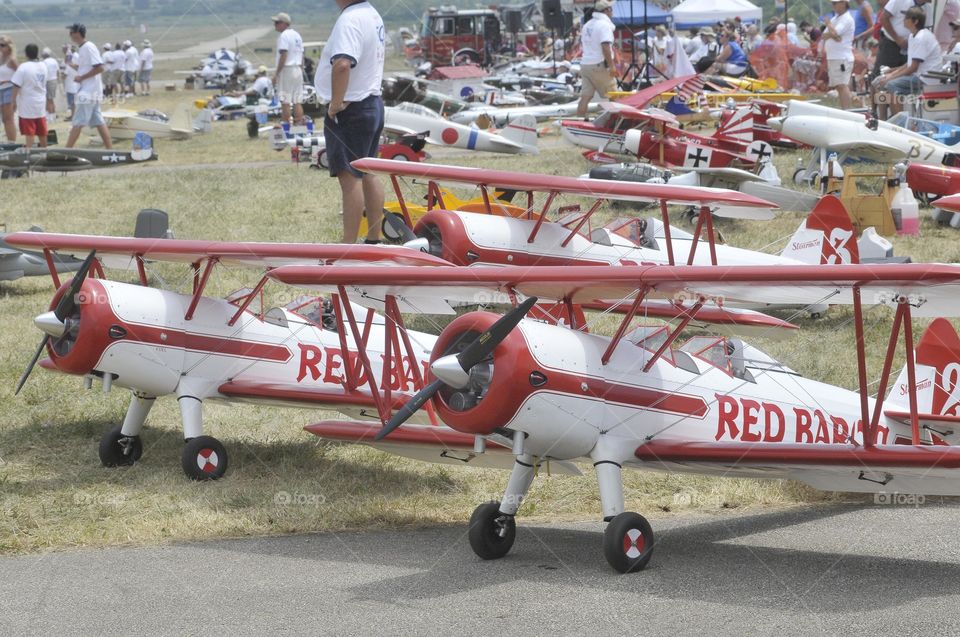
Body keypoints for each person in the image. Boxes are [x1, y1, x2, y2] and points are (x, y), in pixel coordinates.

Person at [315, 0, 386, 244]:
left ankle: (348, 247)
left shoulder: (350, 19)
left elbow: (343, 64)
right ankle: (373, 240)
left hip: (351, 108)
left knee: (350, 177)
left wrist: (335, 103)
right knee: (369, 173)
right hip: (372, 102)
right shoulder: (371, 13)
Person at [874, 6, 942, 116]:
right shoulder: (913, 36)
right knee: (880, 83)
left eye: (906, 18)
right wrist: (891, 72)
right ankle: (883, 119)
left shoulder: (921, 38)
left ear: (915, 21)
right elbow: (910, 64)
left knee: (891, 85)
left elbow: (913, 68)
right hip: (919, 76)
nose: (903, 19)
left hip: (927, 79)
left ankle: (900, 123)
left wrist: (890, 77)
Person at [65, 23, 112, 148]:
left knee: (77, 122)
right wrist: (73, 66)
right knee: (98, 121)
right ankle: (110, 150)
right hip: (92, 91)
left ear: (77, 33)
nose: (69, 35)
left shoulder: (88, 47)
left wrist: (81, 78)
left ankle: (66, 151)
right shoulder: (83, 48)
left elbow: (100, 68)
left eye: (71, 32)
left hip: (88, 92)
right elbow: (86, 67)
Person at [871, 0, 930, 82]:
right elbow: (883, 18)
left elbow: (924, 29)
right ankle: (877, 94)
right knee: (880, 75)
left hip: (910, 48)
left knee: (901, 78)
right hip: (890, 44)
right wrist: (898, 39)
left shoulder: (928, 8)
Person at [576, 0, 617, 117]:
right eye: (611, 9)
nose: (612, 12)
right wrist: (612, 66)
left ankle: (577, 122)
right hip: (599, 64)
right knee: (614, 95)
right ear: (606, 11)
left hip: (585, 64)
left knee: (585, 97)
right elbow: (605, 46)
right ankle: (615, 124)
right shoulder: (604, 25)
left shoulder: (587, 25)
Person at [11, 44, 48, 149]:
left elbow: (16, 85)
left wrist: (13, 101)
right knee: (42, 130)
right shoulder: (43, 66)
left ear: (26, 54)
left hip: (27, 104)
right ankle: (44, 151)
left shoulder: (23, 67)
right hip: (40, 102)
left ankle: (29, 152)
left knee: (29, 131)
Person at [272, 12, 305, 125]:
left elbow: (283, 54)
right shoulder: (297, 35)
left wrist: (277, 74)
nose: (274, 25)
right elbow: (302, 55)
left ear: (284, 23)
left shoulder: (284, 36)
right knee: (297, 101)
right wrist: (301, 69)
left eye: (277, 22)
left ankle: (287, 127)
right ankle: (299, 126)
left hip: (287, 69)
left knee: (285, 101)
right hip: (297, 69)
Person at [823, 0, 856, 109]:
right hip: (834, 57)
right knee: (838, 85)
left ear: (843, 3)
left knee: (842, 85)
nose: (833, 5)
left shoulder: (846, 19)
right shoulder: (835, 18)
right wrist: (834, 35)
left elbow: (835, 32)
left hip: (842, 57)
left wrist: (829, 26)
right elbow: (825, 35)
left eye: (835, 3)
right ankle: (844, 109)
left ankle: (847, 110)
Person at [0, 36, 19, 141]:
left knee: (8, 118)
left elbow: (20, 75)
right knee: (3, 119)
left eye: (2, 45)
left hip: (9, 89)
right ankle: (9, 140)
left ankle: (12, 142)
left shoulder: (11, 60)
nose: (0, 47)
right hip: (1, 90)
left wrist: (7, 81)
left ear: (9, 47)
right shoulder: (0, 58)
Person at [40, 47, 58, 120]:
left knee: (48, 99)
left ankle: (50, 116)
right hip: (54, 80)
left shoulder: (44, 62)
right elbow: (57, 71)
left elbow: (42, 73)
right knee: (51, 99)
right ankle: (53, 114)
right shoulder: (54, 61)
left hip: (48, 81)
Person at [62, 44, 77, 120]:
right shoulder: (75, 57)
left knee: (72, 102)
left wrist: (62, 76)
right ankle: (73, 115)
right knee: (73, 102)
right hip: (73, 84)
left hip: (71, 85)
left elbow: (65, 73)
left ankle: (73, 116)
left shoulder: (70, 61)